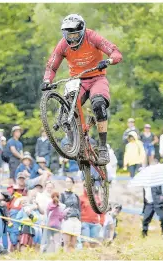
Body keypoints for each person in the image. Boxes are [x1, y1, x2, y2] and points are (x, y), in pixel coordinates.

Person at [43, 14, 123, 165]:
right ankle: (72, 140)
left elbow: (115, 52)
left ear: (82, 31)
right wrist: (47, 80)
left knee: (98, 104)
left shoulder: (92, 37)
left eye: (75, 34)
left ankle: (103, 147)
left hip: (97, 78)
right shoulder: (62, 45)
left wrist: (109, 60)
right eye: (69, 35)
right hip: (77, 80)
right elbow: (52, 65)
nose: (72, 39)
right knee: (67, 107)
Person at [60, 176, 81, 252]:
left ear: (73, 183)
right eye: (67, 181)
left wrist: (79, 219)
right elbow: (60, 208)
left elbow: (79, 208)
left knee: (73, 244)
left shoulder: (76, 196)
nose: (68, 183)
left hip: (76, 220)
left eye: (70, 182)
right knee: (67, 243)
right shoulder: (62, 195)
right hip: (67, 220)